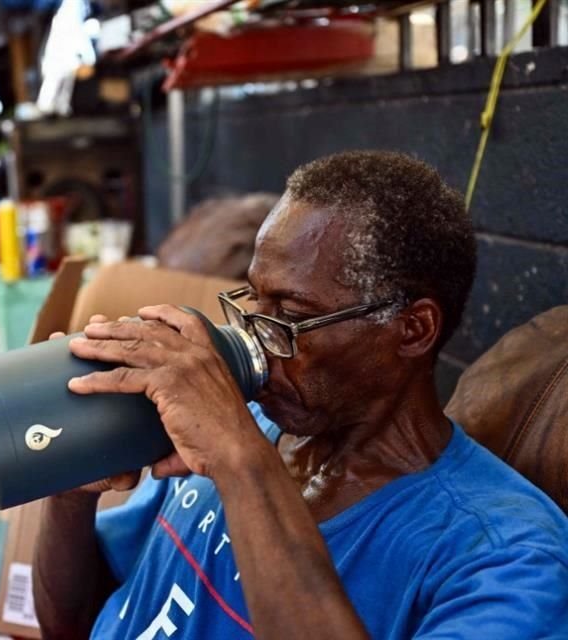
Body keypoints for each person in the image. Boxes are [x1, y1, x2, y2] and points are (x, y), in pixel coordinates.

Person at [32, 150, 568, 639]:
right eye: (254, 301)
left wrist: (241, 460)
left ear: (413, 329)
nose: (255, 343)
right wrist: (72, 486)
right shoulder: (238, 429)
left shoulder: (502, 555)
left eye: (291, 316)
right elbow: (73, 622)